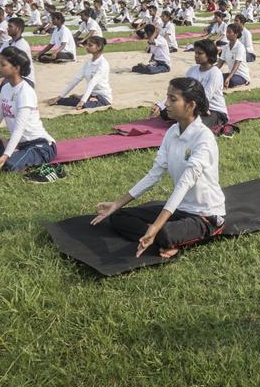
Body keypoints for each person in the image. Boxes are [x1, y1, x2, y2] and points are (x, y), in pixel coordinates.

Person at [91, 77, 225, 259]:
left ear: (190, 105)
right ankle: (159, 238)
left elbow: (184, 184)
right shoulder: (172, 132)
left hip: (205, 216)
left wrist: (156, 226)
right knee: (118, 217)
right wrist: (117, 203)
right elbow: (154, 174)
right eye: (166, 98)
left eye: (173, 99)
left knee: (164, 233)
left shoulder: (204, 138)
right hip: (180, 210)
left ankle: (164, 238)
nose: (166, 104)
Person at [47, 37, 111, 110]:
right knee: (64, 101)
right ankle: (85, 98)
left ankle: (86, 99)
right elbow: (76, 79)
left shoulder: (103, 64)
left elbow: (92, 83)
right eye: (87, 45)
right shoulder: (88, 62)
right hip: (91, 95)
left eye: (90, 45)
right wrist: (60, 97)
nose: (87, 47)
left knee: (83, 105)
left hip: (103, 98)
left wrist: (82, 101)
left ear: (98, 47)